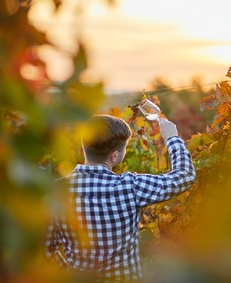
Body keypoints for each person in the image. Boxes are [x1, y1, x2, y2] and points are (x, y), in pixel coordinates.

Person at [44, 114, 196, 282]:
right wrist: (172, 138)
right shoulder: (129, 187)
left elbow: (45, 250)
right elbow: (184, 176)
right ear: (114, 156)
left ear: (83, 148)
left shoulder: (56, 191)